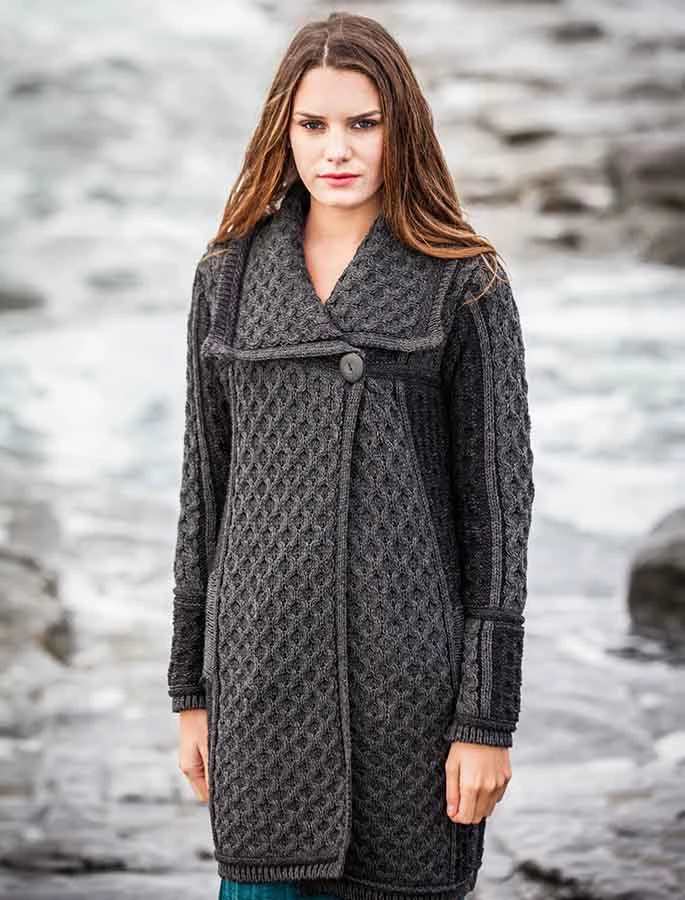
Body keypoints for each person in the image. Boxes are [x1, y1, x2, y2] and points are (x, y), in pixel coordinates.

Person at [167, 11, 535, 900]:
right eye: (314, 124)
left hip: (409, 694)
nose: (337, 149)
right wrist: (190, 691)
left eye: (363, 123)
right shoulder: (227, 278)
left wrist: (486, 720)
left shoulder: (462, 281)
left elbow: (497, 515)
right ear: (282, 130)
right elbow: (203, 496)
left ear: (400, 128)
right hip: (259, 685)